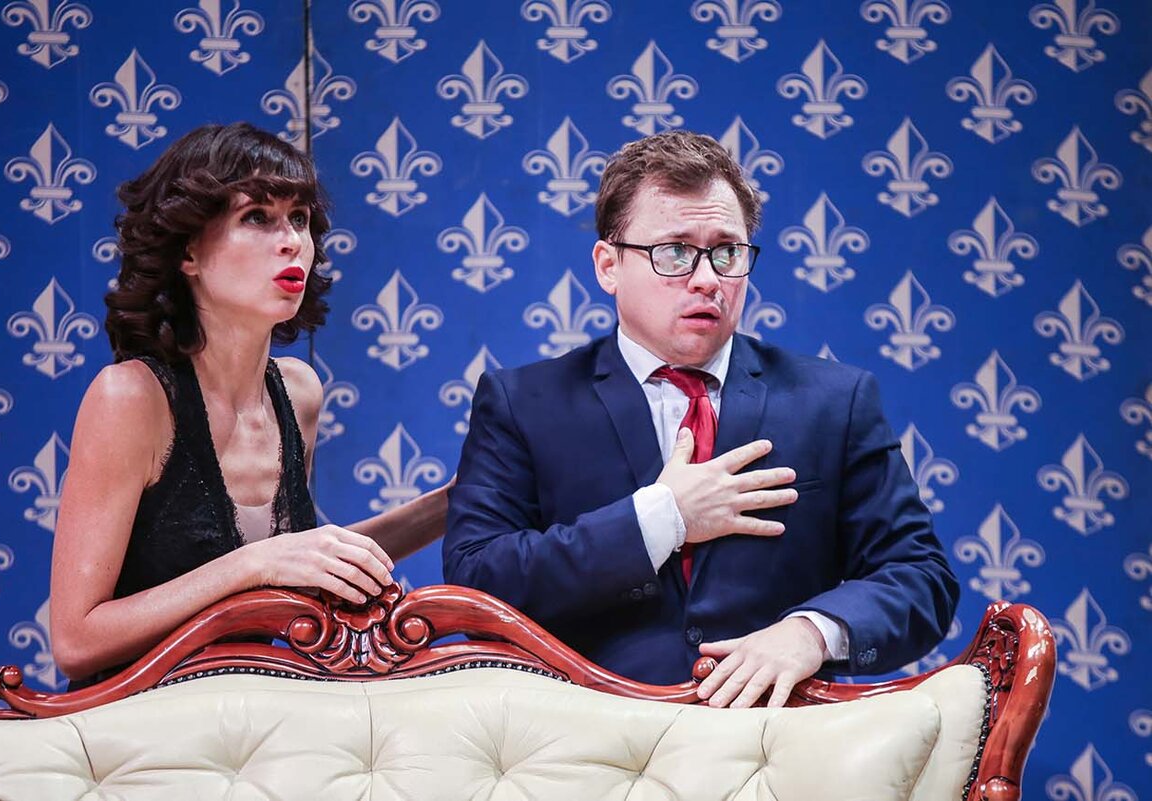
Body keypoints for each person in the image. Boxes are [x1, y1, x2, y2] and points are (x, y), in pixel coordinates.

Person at [443, 130, 958, 708]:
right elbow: (475, 583)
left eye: (727, 252)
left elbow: (921, 580)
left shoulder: (834, 401)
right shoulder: (523, 402)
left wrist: (810, 633)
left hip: (777, 737)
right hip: (587, 734)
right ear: (609, 266)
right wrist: (663, 517)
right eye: (675, 252)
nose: (708, 278)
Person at [50, 122, 445, 686]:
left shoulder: (299, 392)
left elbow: (300, 564)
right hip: (136, 723)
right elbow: (76, 640)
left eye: (299, 218)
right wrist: (254, 565)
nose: (291, 241)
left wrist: (452, 503)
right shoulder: (131, 398)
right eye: (257, 217)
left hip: (256, 718)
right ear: (188, 251)